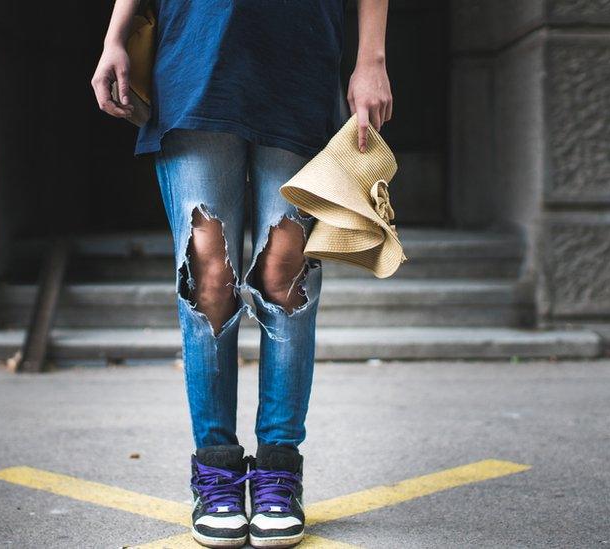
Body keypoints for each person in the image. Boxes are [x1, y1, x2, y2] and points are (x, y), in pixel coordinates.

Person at [92, 1, 391, 546]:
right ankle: (217, 472)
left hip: (299, 65)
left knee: (287, 286)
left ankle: (278, 469)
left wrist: (371, 59)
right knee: (207, 285)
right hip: (193, 70)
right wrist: (116, 36)